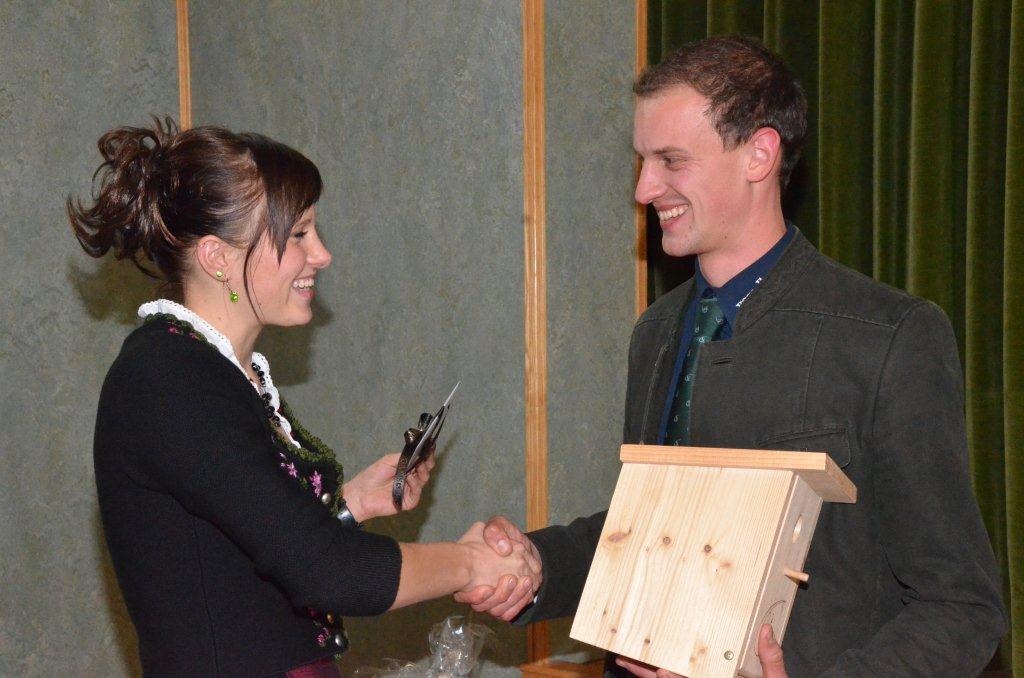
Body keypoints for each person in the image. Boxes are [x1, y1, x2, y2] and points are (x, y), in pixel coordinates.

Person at [456, 35, 1007, 677]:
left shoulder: (889, 336)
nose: (644, 188)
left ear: (759, 155)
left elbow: (961, 607)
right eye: (642, 161)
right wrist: (536, 565)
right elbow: (656, 528)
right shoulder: (655, 333)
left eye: (671, 160)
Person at [69, 119, 540, 677]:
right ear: (218, 257)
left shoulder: (213, 369)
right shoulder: (168, 376)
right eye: (298, 234)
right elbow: (330, 573)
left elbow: (245, 554)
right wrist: (470, 564)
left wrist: (353, 503)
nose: (322, 254)